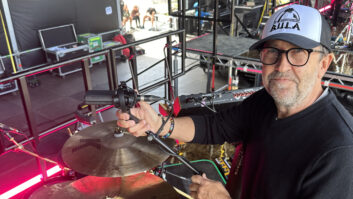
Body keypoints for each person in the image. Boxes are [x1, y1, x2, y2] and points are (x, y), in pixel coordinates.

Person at [117, 4, 353, 199]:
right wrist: (159, 124)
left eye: (298, 53)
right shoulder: (266, 101)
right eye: (273, 52)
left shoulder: (338, 151)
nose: (282, 66)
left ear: (324, 64)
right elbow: (215, 127)